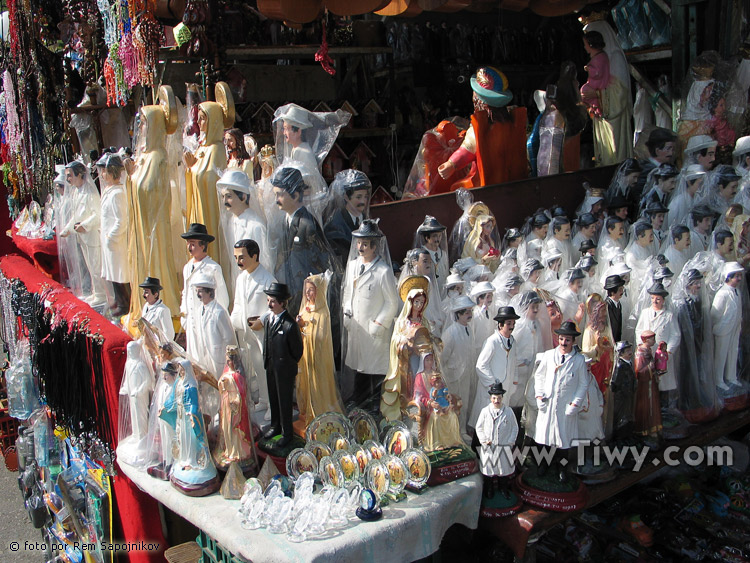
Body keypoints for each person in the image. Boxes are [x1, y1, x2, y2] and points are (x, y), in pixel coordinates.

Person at [125, 92, 181, 323]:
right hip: (142, 225)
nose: (143, 130)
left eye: (147, 125)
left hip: (154, 228)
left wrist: (134, 176)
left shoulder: (158, 157)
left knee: (155, 262)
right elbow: (138, 187)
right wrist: (132, 176)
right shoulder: (144, 157)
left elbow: (150, 191)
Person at [341, 219, 400, 409]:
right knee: (359, 366)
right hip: (356, 327)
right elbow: (348, 292)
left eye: (365, 244)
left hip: (374, 331)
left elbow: (392, 302)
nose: (360, 247)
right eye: (359, 243)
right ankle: (358, 403)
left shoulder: (383, 272)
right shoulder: (352, 266)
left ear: (374, 246)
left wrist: (379, 325)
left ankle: (374, 406)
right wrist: (347, 313)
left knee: (373, 369)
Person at [437, 66, 527, 188]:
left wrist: (451, 164)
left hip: (485, 182)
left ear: (479, 100)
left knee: (455, 188)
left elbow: (467, 150)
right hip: (512, 179)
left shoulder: (480, 126)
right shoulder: (512, 122)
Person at [271, 165, 339, 315]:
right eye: (275, 195)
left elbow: (318, 262)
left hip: (304, 293)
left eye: (280, 195)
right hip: (290, 290)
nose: (277, 200)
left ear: (295, 195)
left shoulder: (307, 224)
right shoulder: (286, 220)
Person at [249, 283, 304, 448]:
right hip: (271, 366)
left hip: (284, 369)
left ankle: (287, 433)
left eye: (272, 301)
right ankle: (276, 426)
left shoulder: (289, 324)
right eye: (268, 300)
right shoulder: (269, 320)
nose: (269, 304)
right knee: (273, 397)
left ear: (281, 303)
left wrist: (286, 363)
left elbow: (297, 351)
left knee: (284, 401)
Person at [533, 321, 588, 482]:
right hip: (548, 404)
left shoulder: (578, 361)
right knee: (545, 439)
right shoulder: (549, 355)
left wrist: (575, 403)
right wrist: (539, 395)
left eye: (568, 340)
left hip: (565, 405)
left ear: (573, 341)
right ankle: (543, 464)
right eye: (562, 339)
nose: (564, 343)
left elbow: (583, 384)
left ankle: (562, 467)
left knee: (563, 441)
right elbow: (540, 375)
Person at [230, 239, 276, 419]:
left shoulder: (268, 279)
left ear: (254, 255)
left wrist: (263, 321)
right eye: (236, 258)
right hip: (247, 333)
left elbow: (275, 307)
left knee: (268, 369)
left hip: (263, 333)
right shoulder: (241, 278)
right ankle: (263, 399)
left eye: (242, 257)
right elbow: (238, 304)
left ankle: (274, 404)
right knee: (257, 368)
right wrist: (236, 321)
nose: (238, 261)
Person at [380, 277, 438, 422]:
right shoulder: (402, 322)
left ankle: (421, 407)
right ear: (410, 303)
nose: (419, 305)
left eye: (422, 302)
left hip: (422, 359)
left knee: (422, 383)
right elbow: (395, 341)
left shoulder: (423, 321)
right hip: (407, 360)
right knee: (409, 384)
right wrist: (407, 341)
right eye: (416, 302)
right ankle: (406, 411)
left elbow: (428, 337)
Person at [160, 358, 219, 495]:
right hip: (182, 416)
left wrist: (192, 414)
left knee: (191, 439)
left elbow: (194, 403)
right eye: (179, 369)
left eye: (182, 369)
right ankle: (185, 460)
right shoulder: (179, 383)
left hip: (189, 417)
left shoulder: (191, 385)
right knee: (183, 440)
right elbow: (173, 399)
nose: (180, 371)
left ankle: (193, 461)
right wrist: (166, 407)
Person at [184, 90, 229, 257]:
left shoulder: (216, 149)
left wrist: (194, 167)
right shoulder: (202, 147)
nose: (199, 122)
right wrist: (191, 168)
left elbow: (211, 177)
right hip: (198, 205)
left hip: (210, 209)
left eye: (203, 119)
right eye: (199, 118)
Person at [296, 272, 343, 428]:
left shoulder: (323, 312)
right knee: (306, 381)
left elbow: (321, 336)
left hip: (317, 356)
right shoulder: (306, 309)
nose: (308, 293)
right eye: (307, 290)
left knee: (317, 381)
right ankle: (306, 410)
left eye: (311, 290)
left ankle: (319, 409)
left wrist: (309, 329)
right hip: (305, 354)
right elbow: (303, 326)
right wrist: (301, 324)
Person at [580, 31, 633, 166]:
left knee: (614, 147)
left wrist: (598, 94)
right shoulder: (599, 58)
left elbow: (619, 91)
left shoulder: (612, 57)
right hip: (600, 110)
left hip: (611, 110)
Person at [59, 160, 107, 306]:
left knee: (96, 265)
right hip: (82, 236)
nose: (68, 179)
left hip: (91, 235)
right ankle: (95, 291)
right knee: (89, 265)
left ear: (80, 175)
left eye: (70, 175)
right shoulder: (76, 192)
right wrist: (68, 228)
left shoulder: (90, 192)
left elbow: (97, 215)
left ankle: (101, 293)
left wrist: (84, 225)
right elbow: (76, 216)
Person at [180, 223, 229, 352]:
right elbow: (185, 291)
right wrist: (184, 312)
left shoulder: (212, 267)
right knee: (194, 353)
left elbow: (222, 296)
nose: (190, 247)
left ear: (202, 245)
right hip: (191, 319)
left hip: (207, 319)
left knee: (209, 352)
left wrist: (217, 318)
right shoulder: (187, 267)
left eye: (193, 244)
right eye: (188, 244)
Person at [217, 168, 269, 286]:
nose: (225, 201)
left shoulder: (256, 226)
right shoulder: (231, 223)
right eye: (223, 197)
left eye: (229, 196)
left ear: (244, 197)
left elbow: (265, 263)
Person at [472, 306, 520, 428]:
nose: (511, 326)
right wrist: (493, 384)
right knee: (486, 420)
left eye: (513, 323)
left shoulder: (513, 342)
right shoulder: (492, 341)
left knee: (501, 420)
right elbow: (481, 365)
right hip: (491, 389)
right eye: (508, 323)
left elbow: (515, 364)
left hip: (506, 388)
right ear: (500, 324)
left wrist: (514, 382)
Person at [96, 152, 130, 316]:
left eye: (105, 171)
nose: (102, 175)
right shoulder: (109, 191)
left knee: (119, 272)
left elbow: (121, 219)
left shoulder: (118, 193)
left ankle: (125, 303)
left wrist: (112, 236)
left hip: (115, 241)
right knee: (112, 272)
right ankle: (118, 299)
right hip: (108, 239)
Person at [635, 282, 680, 402]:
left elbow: (675, 335)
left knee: (663, 383)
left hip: (662, 355)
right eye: (652, 298)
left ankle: (664, 408)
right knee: (650, 382)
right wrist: (642, 346)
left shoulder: (669, 316)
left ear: (663, 300)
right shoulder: (645, 313)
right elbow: (639, 329)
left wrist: (669, 351)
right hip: (648, 353)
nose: (655, 301)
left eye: (658, 299)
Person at [440, 295, 477, 441]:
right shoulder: (450, 332)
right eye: (466, 312)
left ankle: (461, 430)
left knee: (464, 404)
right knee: (453, 405)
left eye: (470, 311)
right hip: (453, 376)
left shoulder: (469, 330)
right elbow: (442, 357)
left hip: (466, 374)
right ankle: (452, 432)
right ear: (458, 314)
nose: (469, 314)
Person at [411, 352, 464, 451]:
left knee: (452, 415)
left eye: (431, 360)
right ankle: (436, 443)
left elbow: (443, 390)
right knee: (436, 418)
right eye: (427, 360)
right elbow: (418, 395)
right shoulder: (420, 376)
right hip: (428, 407)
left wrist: (447, 398)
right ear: (423, 361)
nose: (429, 362)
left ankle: (451, 441)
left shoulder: (437, 374)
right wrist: (430, 403)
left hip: (442, 403)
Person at [213, 346, 255, 470]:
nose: (228, 363)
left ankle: (239, 451)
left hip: (235, 406)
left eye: (230, 360)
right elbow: (220, 385)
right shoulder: (226, 372)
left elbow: (241, 391)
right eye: (227, 360)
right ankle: (229, 449)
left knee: (234, 428)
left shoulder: (238, 375)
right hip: (226, 404)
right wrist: (222, 383)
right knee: (227, 428)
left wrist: (235, 400)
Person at [475, 382, 519, 499]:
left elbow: (515, 427)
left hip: (503, 447)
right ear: (490, 398)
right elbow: (479, 427)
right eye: (494, 398)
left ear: (502, 398)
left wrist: (510, 442)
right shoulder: (485, 411)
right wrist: (484, 441)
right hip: (489, 448)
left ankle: (503, 489)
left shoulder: (508, 412)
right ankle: (489, 490)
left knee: (503, 470)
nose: (496, 400)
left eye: (499, 398)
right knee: (489, 470)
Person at [324, 169, 372, 264]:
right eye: (358, 197)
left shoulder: (364, 218)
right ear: (346, 197)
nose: (363, 201)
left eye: (365, 197)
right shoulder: (335, 226)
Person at [711, 262, 744, 390]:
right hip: (723, 330)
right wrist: (720, 325)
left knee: (733, 352)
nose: (739, 279)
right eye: (737, 276)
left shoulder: (737, 292)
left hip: (734, 328)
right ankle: (718, 379)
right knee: (721, 354)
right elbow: (715, 313)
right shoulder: (722, 293)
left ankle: (731, 376)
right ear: (729, 277)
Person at [633, 331, 661, 441]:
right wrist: (651, 367)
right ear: (645, 340)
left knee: (653, 404)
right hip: (645, 385)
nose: (654, 341)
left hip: (651, 381)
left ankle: (653, 427)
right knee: (647, 406)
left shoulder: (648, 350)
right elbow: (639, 370)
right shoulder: (640, 353)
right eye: (652, 339)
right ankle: (646, 428)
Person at [416, 216, 450, 294]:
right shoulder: (422, 255)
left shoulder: (443, 254)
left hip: (443, 292)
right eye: (434, 236)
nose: (438, 239)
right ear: (427, 238)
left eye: (439, 236)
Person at [610, 341, 636, 440]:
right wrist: (619, 392)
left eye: (630, 350)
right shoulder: (620, 366)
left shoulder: (629, 363)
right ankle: (620, 437)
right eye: (627, 351)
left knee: (628, 415)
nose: (630, 352)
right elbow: (615, 381)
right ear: (621, 353)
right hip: (622, 396)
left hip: (628, 394)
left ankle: (627, 435)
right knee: (621, 416)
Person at [139, 276, 175, 341]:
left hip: (157, 344)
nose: (144, 295)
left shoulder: (163, 310)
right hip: (146, 341)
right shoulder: (146, 306)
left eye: (146, 292)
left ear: (155, 294)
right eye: (144, 292)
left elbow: (169, 334)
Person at [604, 274, 626, 342]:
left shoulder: (619, 304)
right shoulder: (606, 305)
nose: (622, 292)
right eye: (620, 290)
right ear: (613, 292)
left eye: (622, 289)